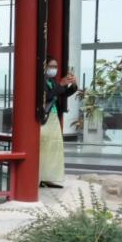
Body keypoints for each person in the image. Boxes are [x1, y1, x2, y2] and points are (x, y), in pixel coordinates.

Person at [40, 57, 78, 188]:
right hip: (44, 118)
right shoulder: (40, 82)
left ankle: (49, 177)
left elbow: (62, 94)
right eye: (51, 66)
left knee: (54, 148)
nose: (54, 69)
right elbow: (47, 97)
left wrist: (73, 85)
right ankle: (40, 176)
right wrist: (61, 84)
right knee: (43, 147)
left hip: (54, 116)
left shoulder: (52, 81)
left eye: (55, 67)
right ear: (44, 67)